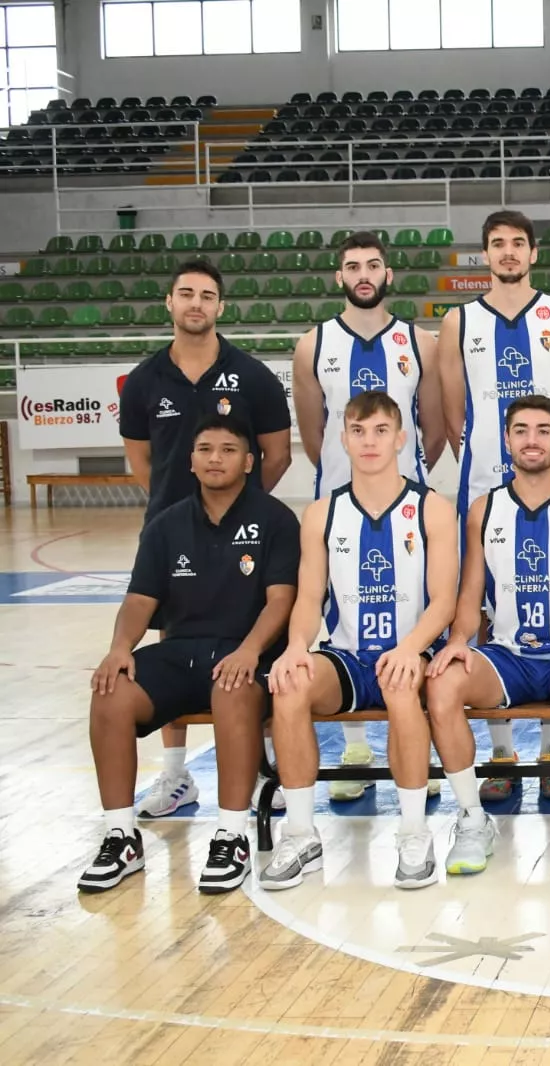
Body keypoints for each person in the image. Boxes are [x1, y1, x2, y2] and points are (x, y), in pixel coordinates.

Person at [77, 415, 299, 894]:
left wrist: (249, 650)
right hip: (181, 654)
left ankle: (231, 833)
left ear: (248, 461)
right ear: (191, 461)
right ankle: (120, 835)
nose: (215, 457)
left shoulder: (276, 520)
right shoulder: (165, 525)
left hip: (247, 655)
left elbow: (282, 601)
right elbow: (139, 600)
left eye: (227, 449)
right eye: (204, 449)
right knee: (111, 692)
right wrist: (119, 649)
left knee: (233, 688)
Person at [262, 391, 462, 891]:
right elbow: (308, 599)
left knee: (399, 688)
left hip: (412, 650)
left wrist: (411, 647)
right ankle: (301, 832)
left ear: (400, 439)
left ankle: (414, 832)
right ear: (343, 439)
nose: (369, 441)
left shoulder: (432, 508)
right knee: (289, 686)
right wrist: (295, 647)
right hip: (348, 657)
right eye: (357, 431)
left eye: (379, 431)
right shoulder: (322, 514)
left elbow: (444, 601)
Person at [118, 259, 292, 818]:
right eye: (186, 294)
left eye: (208, 295)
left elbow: (279, 451)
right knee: (176, 644)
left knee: (253, 646)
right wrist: (187, 509)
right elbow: (140, 460)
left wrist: (238, 507)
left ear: (221, 307)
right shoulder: (144, 380)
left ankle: (264, 763)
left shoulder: (254, 375)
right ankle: (175, 775)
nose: (197, 303)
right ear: (169, 303)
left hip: (244, 534)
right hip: (173, 537)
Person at [425, 395, 550, 876]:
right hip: (507, 655)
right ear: (507, 439)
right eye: (522, 431)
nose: (532, 440)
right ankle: (472, 820)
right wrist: (456, 641)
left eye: (544, 430)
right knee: (443, 684)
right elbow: (469, 598)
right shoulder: (482, 509)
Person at [437, 210, 550, 803]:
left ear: (532, 254)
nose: (507, 253)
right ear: (485, 255)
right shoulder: (458, 321)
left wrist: (545, 455)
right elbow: (455, 414)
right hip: (483, 483)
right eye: (496, 244)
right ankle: (500, 750)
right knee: (479, 611)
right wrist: (486, 461)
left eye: (517, 244)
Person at [292, 230, 448, 803]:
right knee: (343, 617)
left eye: (373, 265)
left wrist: (399, 470)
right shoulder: (312, 344)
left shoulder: (420, 342)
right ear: (339, 277)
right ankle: (355, 745)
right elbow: (315, 432)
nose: (363, 274)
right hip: (339, 499)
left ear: (388, 276)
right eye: (352, 266)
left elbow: (431, 426)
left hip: (406, 501)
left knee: (411, 609)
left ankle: (415, 747)